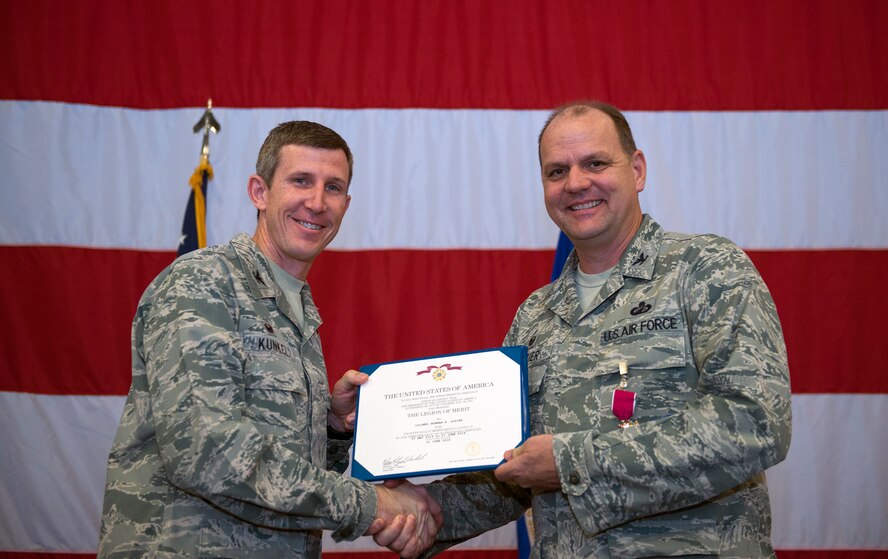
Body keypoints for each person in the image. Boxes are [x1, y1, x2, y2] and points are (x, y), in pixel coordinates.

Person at [402, 101, 792, 557]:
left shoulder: (706, 270)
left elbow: (754, 423)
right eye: (556, 171)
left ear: (637, 169)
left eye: (595, 163)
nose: (576, 183)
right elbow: (508, 472)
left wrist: (572, 461)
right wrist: (424, 512)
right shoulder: (536, 315)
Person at [97, 120, 441, 559]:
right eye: (301, 181)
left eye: (333, 188)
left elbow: (281, 457)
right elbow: (208, 452)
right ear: (259, 192)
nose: (316, 203)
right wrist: (374, 504)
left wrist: (331, 429)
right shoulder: (204, 283)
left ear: (346, 204)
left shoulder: (297, 310)